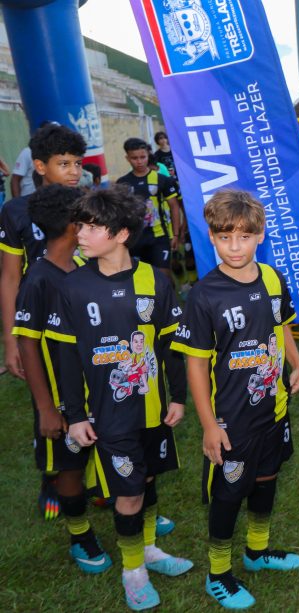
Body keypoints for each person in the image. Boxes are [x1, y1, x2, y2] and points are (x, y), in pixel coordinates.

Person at [48, 187, 192, 610]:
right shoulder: (72, 286)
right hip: (107, 415)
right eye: (81, 226)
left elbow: (170, 345)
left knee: (146, 480)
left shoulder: (154, 280)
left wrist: (178, 396)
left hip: (152, 407)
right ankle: (134, 573)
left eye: (93, 227)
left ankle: (148, 548)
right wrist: (74, 415)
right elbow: (66, 357)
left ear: (122, 233)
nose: (82, 234)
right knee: (126, 493)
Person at [171, 189, 299, 609]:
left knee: (266, 479)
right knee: (229, 495)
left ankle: (257, 551)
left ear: (259, 236)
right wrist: (210, 426)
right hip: (231, 419)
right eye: (224, 237)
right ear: (210, 237)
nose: (234, 246)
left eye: (244, 237)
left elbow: (281, 324)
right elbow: (195, 366)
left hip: (273, 406)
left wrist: (296, 362)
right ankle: (219, 572)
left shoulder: (270, 277)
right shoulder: (203, 294)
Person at [12, 185, 112, 573]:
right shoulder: (37, 279)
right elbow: (27, 344)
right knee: (68, 467)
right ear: (74, 226)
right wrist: (45, 409)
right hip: (59, 400)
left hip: (97, 390)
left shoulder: (84, 268)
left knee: (108, 447)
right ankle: (79, 532)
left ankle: (126, 503)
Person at [2, 124, 85, 382]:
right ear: (40, 166)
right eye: (64, 164)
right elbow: (10, 278)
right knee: (51, 399)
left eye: (78, 163)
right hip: (40, 316)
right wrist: (11, 339)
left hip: (86, 310)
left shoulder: (89, 205)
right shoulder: (16, 211)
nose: (74, 172)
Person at [116, 138, 180, 279]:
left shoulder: (162, 179)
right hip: (134, 239)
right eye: (134, 158)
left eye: (142, 157)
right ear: (127, 158)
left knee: (163, 277)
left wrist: (175, 235)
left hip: (159, 237)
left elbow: (174, 207)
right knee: (141, 279)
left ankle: (169, 300)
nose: (139, 161)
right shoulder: (122, 183)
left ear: (148, 156)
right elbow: (119, 213)